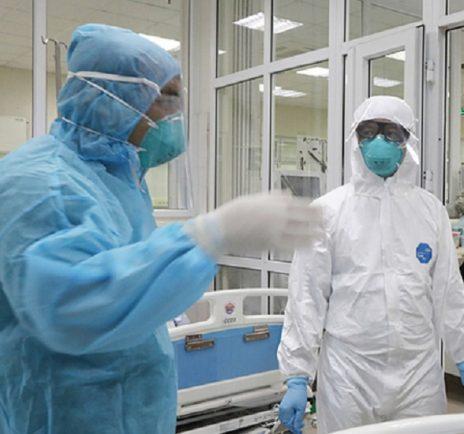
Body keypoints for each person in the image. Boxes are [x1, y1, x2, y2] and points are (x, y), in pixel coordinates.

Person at [0, 24, 320, 434]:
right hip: (63, 414)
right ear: (110, 99)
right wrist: (210, 234)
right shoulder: (41, 182)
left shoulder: (121, 179)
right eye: (165, 97)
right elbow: (70, 305)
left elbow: (131, 276)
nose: (175, 114)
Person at [277, 96, 464, 434]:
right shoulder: (328, 211)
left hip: (418, 371)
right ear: (355, 140)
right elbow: (306, 297)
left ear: (408, 142)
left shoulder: (429, 211)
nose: (378, 141)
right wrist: (297, 376)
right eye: (368, 132)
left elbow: (447, 291)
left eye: (390, 133)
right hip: (349, 372)